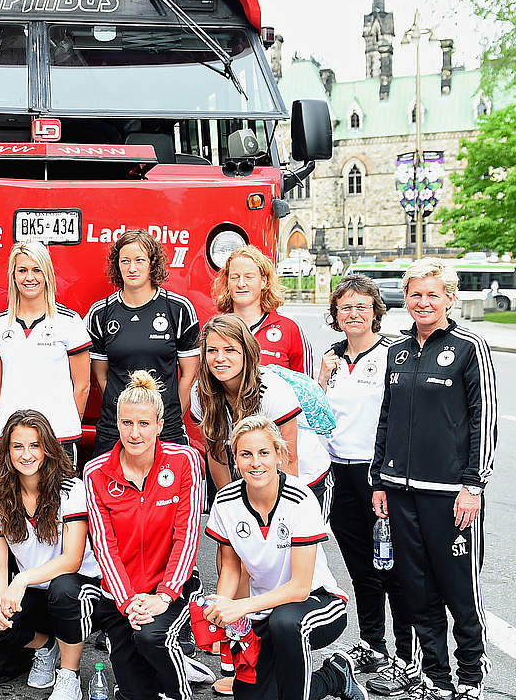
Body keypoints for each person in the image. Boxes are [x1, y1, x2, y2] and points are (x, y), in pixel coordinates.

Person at [372, 259, 495, 700]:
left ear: (449, 298)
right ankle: (437, 678)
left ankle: (471, 675)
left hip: (451, 495)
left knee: (458, 589)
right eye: (415, 295)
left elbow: (484, 419)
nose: (423, 303)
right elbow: (386, 416)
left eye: (432, 294)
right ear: (405, 299)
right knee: (417, 590)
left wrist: (473, 484)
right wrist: (380, 480)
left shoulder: (468, 347)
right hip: (401, 491)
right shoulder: (397, 350)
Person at [202, 416, 365, 700]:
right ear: (235, 459)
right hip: (261, 609)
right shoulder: (225, 501)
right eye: (246, 454)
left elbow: (299, 588)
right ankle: (334, 675)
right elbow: (230, 568)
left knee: (286, 622)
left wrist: (241, 607)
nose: (256, 462)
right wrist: (222, 608)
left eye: (264, 453)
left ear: (278, 455)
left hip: (317, 603)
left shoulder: (299, 498)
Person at [318, 275, 419, 693]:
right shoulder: (332, 358)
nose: (353, 314)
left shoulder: (393, 354)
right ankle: (372, 643)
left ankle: (407, 656)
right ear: (335, 315)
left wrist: (386, 476)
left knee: (391, 566)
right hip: (338, 472)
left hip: (378, 475)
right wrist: (322, 376)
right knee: (361, 568)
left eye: (362, 306)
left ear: (377, 310)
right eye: (345, 307)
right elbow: (317, 414)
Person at [84, 372, 209, 700]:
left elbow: (187, 535)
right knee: (134, 693)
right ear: (117, 422)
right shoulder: (96, 473)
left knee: (151, 637)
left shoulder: (185, 461)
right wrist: (128, 602)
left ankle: (178, 689)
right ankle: (163, 662)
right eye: (126, 423)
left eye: (143, 424)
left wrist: (164, 595)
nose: (134, 433)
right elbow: (104, 548)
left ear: (159, 424)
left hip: (171, 589)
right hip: (122, 596)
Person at [0, 410, 101, 698]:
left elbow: (72, 559)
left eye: (34, 445)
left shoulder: (71, 489)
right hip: (34, 590)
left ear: (48, 448)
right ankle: (46, 646)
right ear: (7, 451)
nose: (26, 454)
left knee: (63, 587)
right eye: (18, 446)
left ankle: (68, 674)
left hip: (79, 587)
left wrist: (20, 580)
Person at [190, 314, 330, 510]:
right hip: (257, 472)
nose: (219, 358)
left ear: (246, 352)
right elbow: (217, 456)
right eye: (212, 350)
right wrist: (230, 506)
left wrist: (279, 513)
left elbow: (289, 459)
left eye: (230, 350)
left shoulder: (272, 389)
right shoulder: (200, 393)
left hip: (304, 476)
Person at [85, 230, 200, 459]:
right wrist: (126, 415)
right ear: (117, 266)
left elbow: (189, 374)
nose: (132, 268)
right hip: (115, 429)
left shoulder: (178, 309)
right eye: (125, 261)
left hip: (165, 428)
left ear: (152, 264)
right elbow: (102, 378)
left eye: (139, 260)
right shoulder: (100, 313)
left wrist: (165, 415)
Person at [0, 241, 91, 464]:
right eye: (22, 270)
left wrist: (65, 425)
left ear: (47, 274)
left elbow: (82, 386)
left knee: (60, 499)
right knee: (11, 499)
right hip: (11, 439)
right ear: (13, 275)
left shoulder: (69, 322)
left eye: (36, 270)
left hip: (58, 437)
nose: (29, 277)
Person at [212, 245, 313, 376]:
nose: (241, 284)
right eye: (235, 277)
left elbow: (307, 388)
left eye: (249, 277)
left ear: (263, 281)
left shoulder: (290, 328)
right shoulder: (215, 329)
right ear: (227, 282)